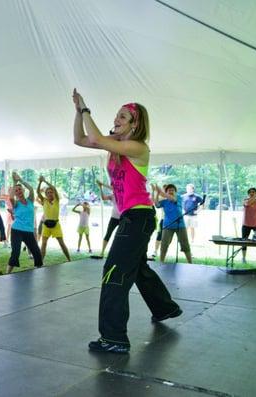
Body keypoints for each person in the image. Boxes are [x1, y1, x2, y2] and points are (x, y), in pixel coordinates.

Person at [72, 88, 181, 354]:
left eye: (123, 117)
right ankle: (166, 308)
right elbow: (80, 139)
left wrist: (86, 109)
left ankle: (115, 338)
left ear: (135, 124)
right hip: (131, 218)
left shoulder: (137, 147)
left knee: (114, 273)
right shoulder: (114, 143)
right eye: (117, 116)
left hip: (139, 216)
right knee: (137, 268)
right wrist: (78, 112)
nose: (117, 119)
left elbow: (95, 136)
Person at [6, 172, 43, 273]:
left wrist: (20, 180)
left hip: (28, 231)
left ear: (23, 190)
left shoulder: (30, 200)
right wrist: (14, 182)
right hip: (16, 230)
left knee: (37, 253)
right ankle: (7, 274)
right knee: (15, 253)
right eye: (16, 190)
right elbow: (10, 197)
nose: (18, 191)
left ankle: (39, 273)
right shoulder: (16, 203)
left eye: (20, 189)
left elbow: (31, 188)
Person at [153, 184, 193, 263]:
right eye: (169, 190)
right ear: (166, 192)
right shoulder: (164, 201)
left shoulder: (178, 197)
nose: (171, 191)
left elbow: (172, 199)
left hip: (180, 225)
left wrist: (160, 191)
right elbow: (156, 204)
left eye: (172, 190)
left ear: (175, 192)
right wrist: (157, 193)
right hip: (167, 225)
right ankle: (161, 262)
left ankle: (190, 263)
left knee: (185, 244)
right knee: (164, 244)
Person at [37, 175, 71, 261]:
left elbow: (54, 188)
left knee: (62, 243)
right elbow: (38, 192)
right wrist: (40, 182)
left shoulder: (57, 200)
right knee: (43, 243)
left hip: (56, 225)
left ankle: (69, 260)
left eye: (51, 192)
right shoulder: (44, 201)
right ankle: (40, 262)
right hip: (46, 226)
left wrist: (45, 181)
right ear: (46, 194)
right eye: (48, 192)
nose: (50, 194)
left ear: (53, 193)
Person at [97, 180, 121, 259]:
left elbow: (115, 188)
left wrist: (103, 184)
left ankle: (119, 253)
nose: (113, 188)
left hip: (123, 218)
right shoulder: (112, 196)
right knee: (108, 234)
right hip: (114, 218)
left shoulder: (122, 193)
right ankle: (102, 252)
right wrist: (100, 188)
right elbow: (103, 198)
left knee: (120, 236)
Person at [241, 188, 256, 264]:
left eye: (253, 192)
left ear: (255, 193)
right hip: (246, 225)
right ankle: (244, 259)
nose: (252, 193)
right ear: (248, 194)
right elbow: (248, 203)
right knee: (244, 242)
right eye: (250, 192)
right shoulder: (246, 200)